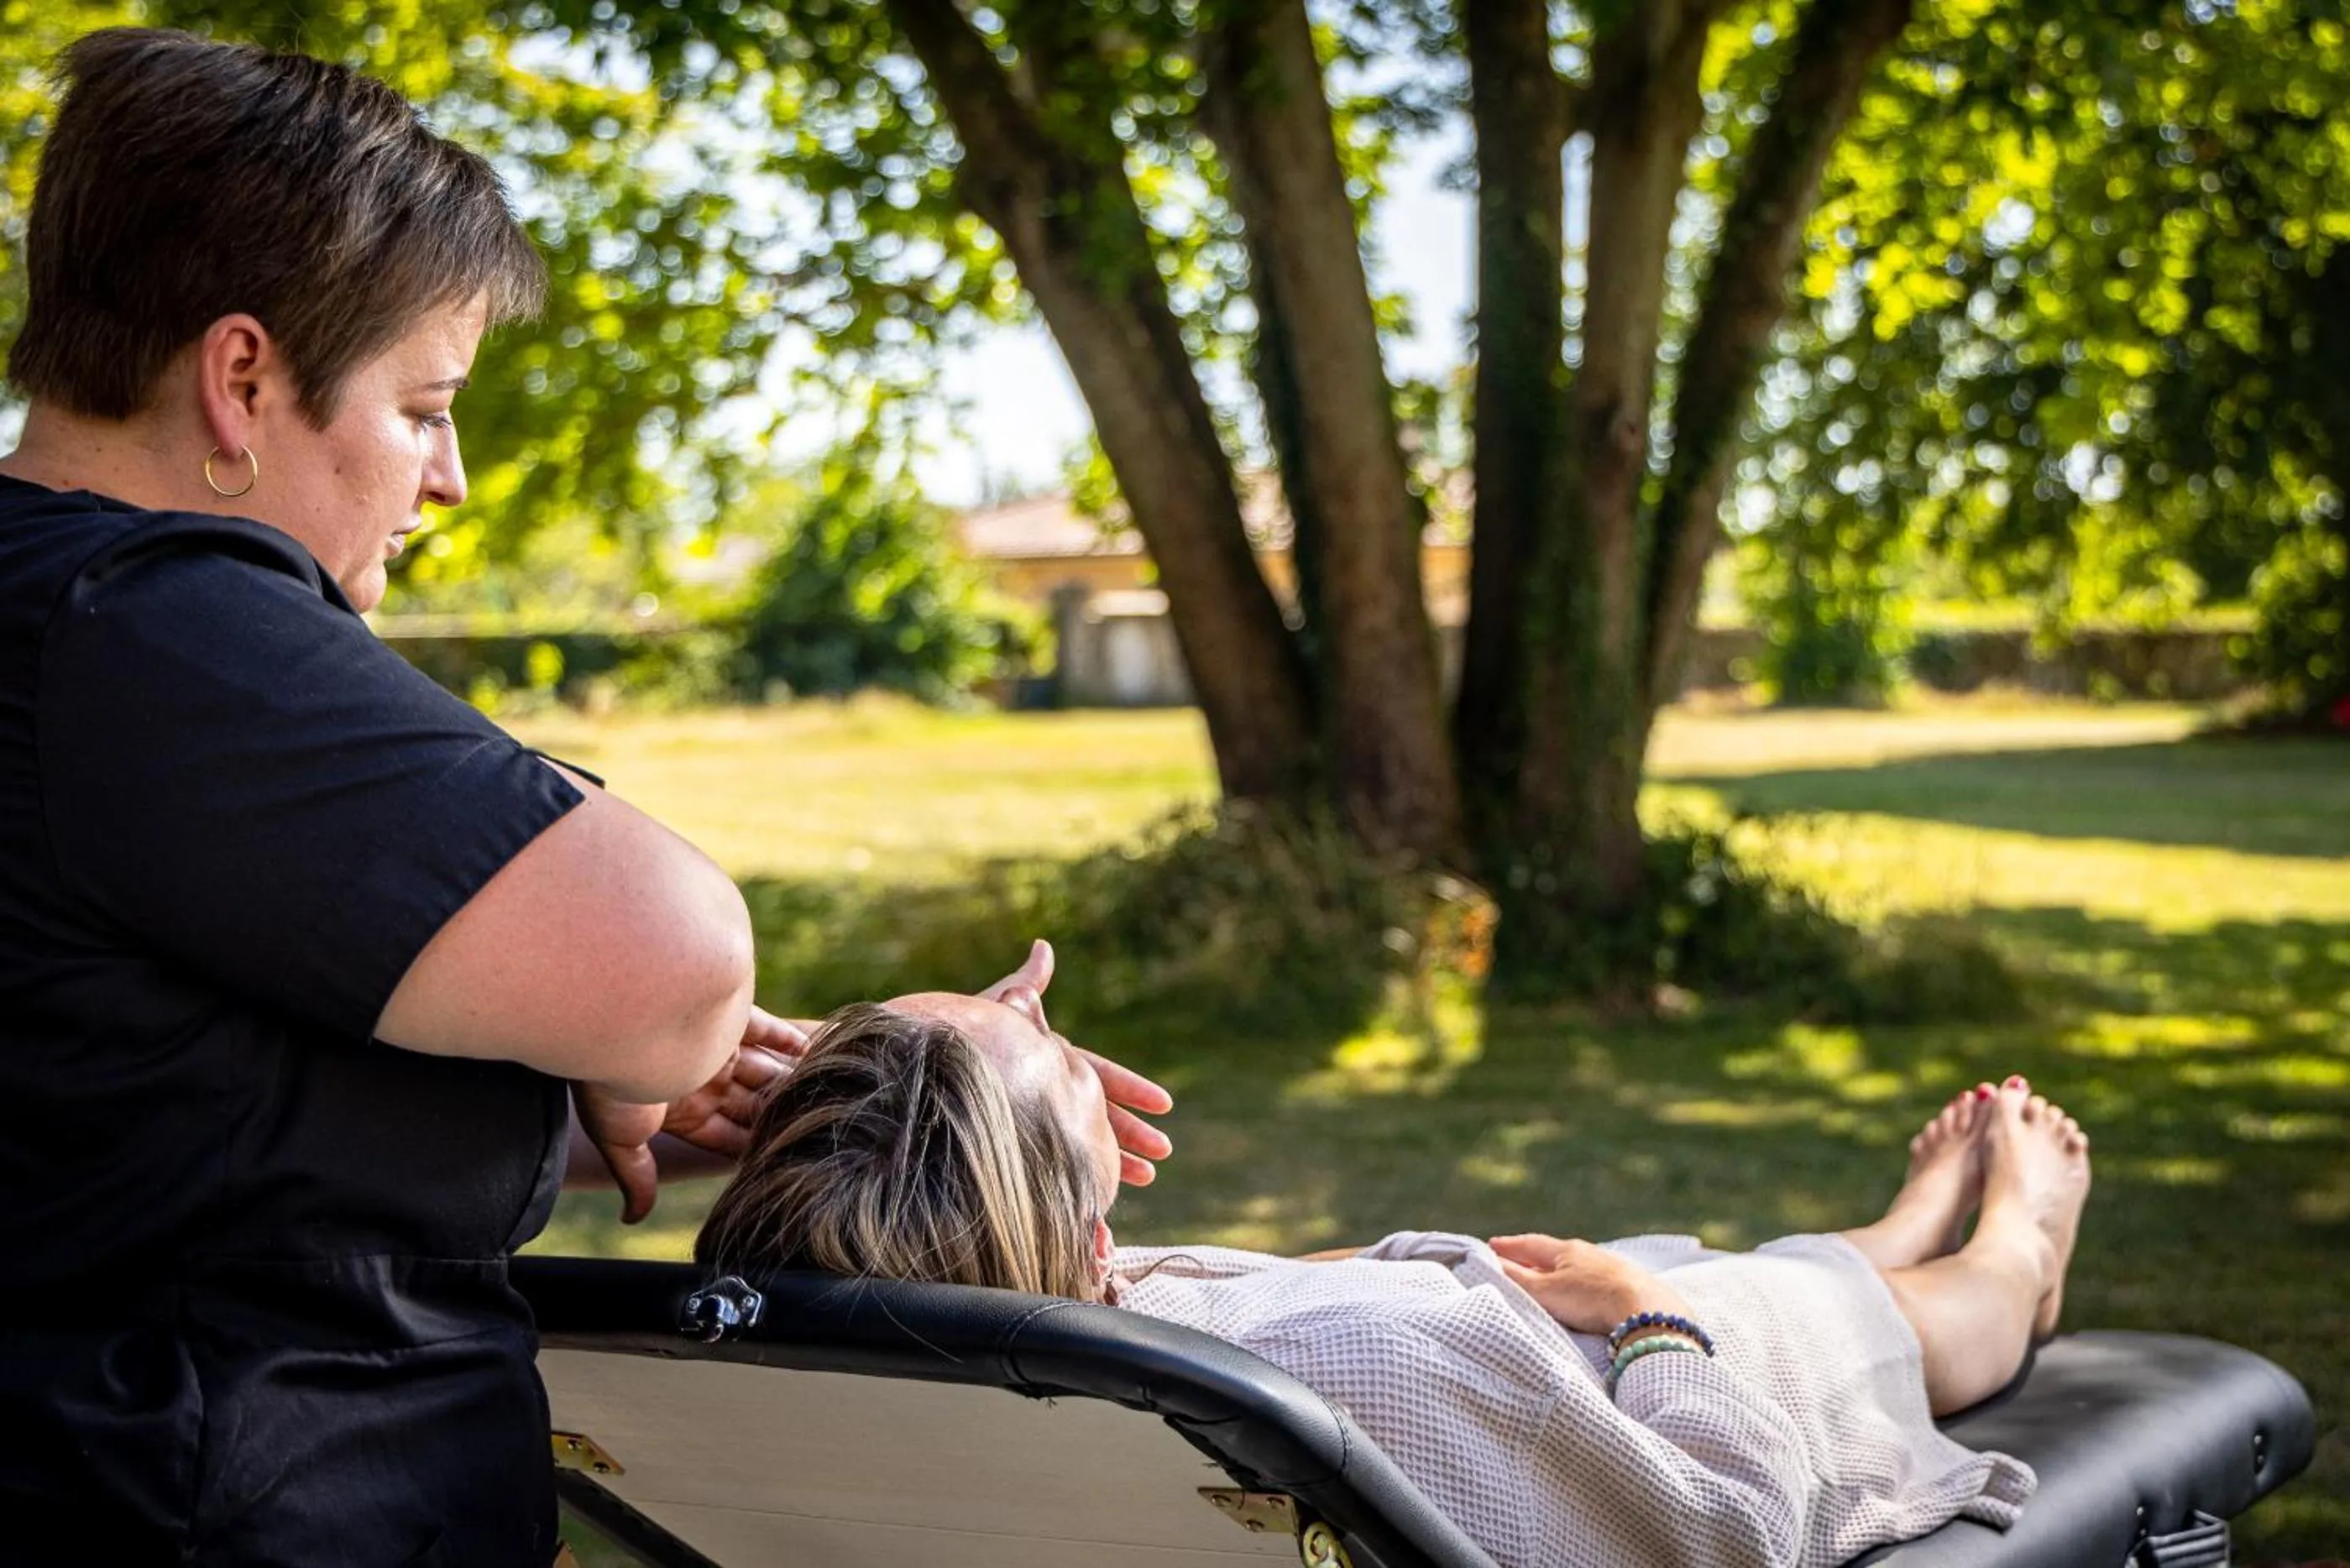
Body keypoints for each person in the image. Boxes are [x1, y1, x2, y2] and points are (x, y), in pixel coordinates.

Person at [0, 29, 1170, 1565]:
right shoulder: (147, 627)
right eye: (424, 407)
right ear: (240, 378)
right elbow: (674, 958)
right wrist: (635, 1027)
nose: (452, 476)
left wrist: (589, 1086)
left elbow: (147, 1129)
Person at [699, 993, 2097, 1568]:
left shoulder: (915, 1368)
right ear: (1074, 1248)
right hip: (1668, 1369)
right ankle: (2007, 1243)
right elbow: (1729, 1531)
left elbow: (905, 1202)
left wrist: (888, 1081)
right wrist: (1651, 1326)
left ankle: (1899, 1215)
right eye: (1072, 1076)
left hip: (1518, 1340)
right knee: (1880, 1308)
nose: (1038, 1003)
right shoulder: (1333, 1384)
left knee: (1757, 1262)